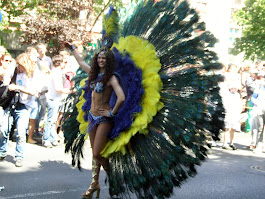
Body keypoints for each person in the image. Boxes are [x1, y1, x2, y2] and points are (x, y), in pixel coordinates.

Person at [64, 41, 125, 198]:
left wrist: (112, 113)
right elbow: (80, 61)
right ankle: (94, 184)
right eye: (99, 58)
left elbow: (121, 97)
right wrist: (72, 49)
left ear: (108, 60)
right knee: (94, 154)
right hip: (92, 117)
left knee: (97, 153)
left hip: (104, 119)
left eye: (104, 58)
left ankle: (114, 176)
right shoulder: (93, 73)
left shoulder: (111, 78)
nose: (101, 60)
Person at [1, 53, 38, 167]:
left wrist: (18, 87)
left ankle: (19, 156)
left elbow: (33, 91)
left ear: (25, 65)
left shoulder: (33, 74)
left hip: (24, 106)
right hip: (12, 103)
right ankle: (2, 151)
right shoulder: (16, 71)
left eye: (20, 65)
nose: (18, 67)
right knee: (3, 129)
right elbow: (6, 78)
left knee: (21, 133)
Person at [42, 55, 71, 148]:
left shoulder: (56, 72)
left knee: (53, 120)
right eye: (63, 62)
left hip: (56, 99)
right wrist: (69, 90)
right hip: (53, 99)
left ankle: (51, 138)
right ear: (60, 62)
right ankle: (46, 139)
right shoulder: (56, 73)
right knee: (50, 120)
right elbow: (58, 88)